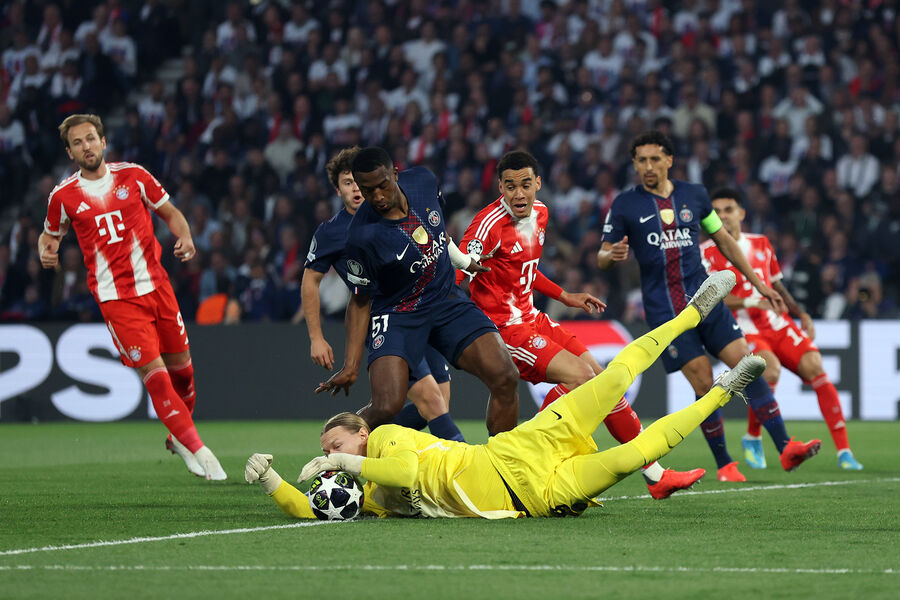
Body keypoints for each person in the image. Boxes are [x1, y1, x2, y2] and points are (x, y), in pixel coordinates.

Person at [245, 273, 764, 518]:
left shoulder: (384, 442)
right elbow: (315, 511)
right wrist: (271, 480)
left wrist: (345, 460)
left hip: (515, 452)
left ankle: (692, 312)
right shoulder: (368, 495)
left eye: (336, 444)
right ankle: (725, 391)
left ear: (362, 432)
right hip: (535, 496)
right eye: (329, 452)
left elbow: (405, 472)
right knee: (631, 457)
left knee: (608, 382)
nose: (332, 457)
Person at [457, 150, 705, 499]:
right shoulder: (487, 225)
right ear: (500, 187)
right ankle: (518, 452)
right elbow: (458, 270)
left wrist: (565, 296)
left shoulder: (541, 213)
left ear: (538, 183)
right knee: (581, 378)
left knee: (604, 381)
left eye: (525, 185)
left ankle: (656, 475)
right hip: (504, 330)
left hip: (534, 318)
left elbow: (521, 269)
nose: (519, 194)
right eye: (510, 187)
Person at [597, 130, 820, 482]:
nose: (648, 166)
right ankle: (725, 464)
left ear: (669, 160)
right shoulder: (626, 204)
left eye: (655, 159)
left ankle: (786, 446)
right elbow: (602, 255)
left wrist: (759, 283)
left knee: (748, 365)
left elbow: (725, 241)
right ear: (635, 165)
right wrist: (612, 255)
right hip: (667, 313)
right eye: (641, 161)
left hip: (706, 299)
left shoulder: (695, 196)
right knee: (703, 382)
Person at [38, 114, 226, 480]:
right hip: (117, 300)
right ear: (70, 153)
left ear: (103, 141)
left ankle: (178, 438)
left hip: (158, 288)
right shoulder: (63, 196)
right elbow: (49, 235)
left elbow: (171, 213)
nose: (86, 146)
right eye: (77, 143)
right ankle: (202, 452)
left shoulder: (134, 176)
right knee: (156, 377)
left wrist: (185, 237)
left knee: (184, 375)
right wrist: (47, 250)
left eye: (91, 138)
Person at [314, 146, 520, 436]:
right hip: (399, 314)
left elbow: (437, 233)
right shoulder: (361, 237)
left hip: (445, 300)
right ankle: (333, 449)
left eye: (383, 185)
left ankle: (501, 459)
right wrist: (351, 366)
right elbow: (359, 301)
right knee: (387, 406)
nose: (378, 197)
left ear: (396, 174)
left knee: (506, 376)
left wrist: (463, 261)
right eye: (368, 190)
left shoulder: (424, 181)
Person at [301, 146, 463, 441]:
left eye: (358, 182)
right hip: (385, 319)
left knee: (438, 399)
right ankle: (464, 461)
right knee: (432, 402)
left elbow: (437, 237)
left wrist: (462, 262)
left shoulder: (400, 209)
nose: (356, 189)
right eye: (348, 183)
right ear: (338, 190)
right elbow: (310, 281)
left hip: (422, 309)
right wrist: (316, 337)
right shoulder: (333, 232)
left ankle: (359, 439)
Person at [701, 188, 863, 471]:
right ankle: (753, 437)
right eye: (717, 211)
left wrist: (801, 314)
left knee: (815, 366)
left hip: (776, 321)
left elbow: (776, 285)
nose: (723, 216)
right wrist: (752, 301)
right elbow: (710, 296)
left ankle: (845, 452)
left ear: (741, 213)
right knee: (769, 369)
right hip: (742, 326)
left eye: (729, 209)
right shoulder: (705, 252)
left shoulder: (762, 243)